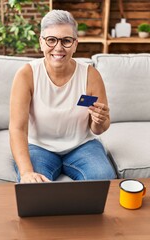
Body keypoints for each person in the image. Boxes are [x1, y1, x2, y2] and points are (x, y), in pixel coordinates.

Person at [9, 9, 116, 183]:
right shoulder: (26, 75)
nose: (58, 48)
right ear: (41, 42)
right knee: (34, 187)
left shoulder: (91, 75)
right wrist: (27, 172)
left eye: (66, 41)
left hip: (82, 146)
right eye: (51, 40)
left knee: (103, 180)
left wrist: (99, 120)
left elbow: (98, 129)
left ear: (75, 44)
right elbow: (17, 128)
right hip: (39, 147)